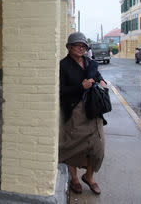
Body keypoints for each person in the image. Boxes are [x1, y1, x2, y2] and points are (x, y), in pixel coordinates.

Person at [59, 32, 107, 195]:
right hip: (75, 112)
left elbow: (99, 78)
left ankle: (89, 176)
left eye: (84, 46)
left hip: (93, 111)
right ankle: (75, 179)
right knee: (72, 147)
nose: (81, 48)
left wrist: (102, 82)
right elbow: (60, 90)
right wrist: (81, 87)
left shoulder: (90, 63)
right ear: (69, 47)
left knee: (98, 148)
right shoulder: (63, 66)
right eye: (77, 45)